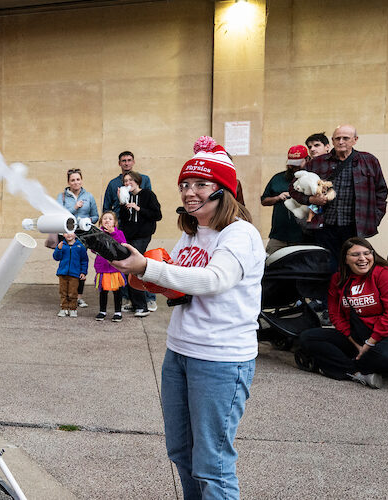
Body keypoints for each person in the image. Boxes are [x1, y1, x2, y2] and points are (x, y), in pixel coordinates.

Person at [110, 144, 264, 500]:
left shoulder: (240, 234)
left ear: (223, 191)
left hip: (221, 359)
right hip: (179, 350)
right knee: (181, 452)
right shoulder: (193, 232)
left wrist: (148, 268)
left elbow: (213, 280)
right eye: (184, 184)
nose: (188, 192)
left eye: (199, 184)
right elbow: (178, 285)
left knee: (212, 464)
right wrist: (138, 272)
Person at [296, 238, 388, 388]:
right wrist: (357, 344)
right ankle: (357, 373)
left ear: (373, 255)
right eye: (355, 254)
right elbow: (335, 315)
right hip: (360, 336)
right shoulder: (338, 279)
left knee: (382, 355)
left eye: (367, 253)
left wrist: (370, 343)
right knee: (308, 337)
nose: (362, 258)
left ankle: (339, 367)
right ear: (345, 259)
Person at [290, 124, 388, 270]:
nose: (341, 141)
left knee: (355, 267)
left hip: (355, 226)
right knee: (328, 268)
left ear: (355, 140)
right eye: (337, 138)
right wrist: (311, 200)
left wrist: (375, 217)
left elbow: (381, 192)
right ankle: (332, 293)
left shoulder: (369, 161)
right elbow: (293, 188)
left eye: (346, 138)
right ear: (332, 141)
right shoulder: (317, 162)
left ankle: (351, 293)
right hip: (324, 226)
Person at [117, 170, 161, 317]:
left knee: (135, 266)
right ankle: (134, 303)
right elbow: (123, 218)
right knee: (128, 267)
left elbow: (157, 215)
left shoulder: (148, 194)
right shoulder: (126, 196)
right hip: (128, 236)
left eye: (130, 180)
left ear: (137, 181)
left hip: (142, 236)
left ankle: (142, 306)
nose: (127, 183)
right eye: (125, 181)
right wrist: (122, 203)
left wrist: (138, 208)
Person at [60, 168, 98, 308]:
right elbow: (60, 215)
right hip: (67, 234)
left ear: (81, 180)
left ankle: (79, 297)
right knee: (67, 264)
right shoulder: (62, 196)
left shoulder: (88, 196)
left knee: (80, 264)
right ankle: (66, 296)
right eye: (72, 180)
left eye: (78, 179)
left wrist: (88, 219)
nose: (76, 182)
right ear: (68, 182)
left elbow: (95, 216)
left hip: (83, 234)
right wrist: (75, 208)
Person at [261, 145, 309, 255]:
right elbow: (264, 201)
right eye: (292, 164)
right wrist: (277, 198)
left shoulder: (310, 179)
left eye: (298, 164)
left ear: (307, 160)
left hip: (301, 236)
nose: (294, 167)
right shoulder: (277, 178)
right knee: (269, 263)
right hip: (278, 235)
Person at [92, 211, 127, 322]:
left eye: (110, 219)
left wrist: (113, 234)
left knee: (117, 291)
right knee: (103, 291)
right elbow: (93, 249)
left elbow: (123, 247)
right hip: (102, 268)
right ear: (101, 221)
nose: (107, 220)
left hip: (115, 268)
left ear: (115, 222)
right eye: (105, 218)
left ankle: (117, 312)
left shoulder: (119, 233)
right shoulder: (97, 233)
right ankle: (102, 311)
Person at [53, 231, 89, 318]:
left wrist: (83, 272)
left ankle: (73, 309)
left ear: (75, 234)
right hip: (63, 273)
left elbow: (84, 260)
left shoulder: (80, 246)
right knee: (63, 292)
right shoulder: (62, 245)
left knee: (73, 292)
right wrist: (58, 249)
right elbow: (56, 257)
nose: (69, 234)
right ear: (63, 234)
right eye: (66, 232)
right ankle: (64, 308)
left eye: (71, 232)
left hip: (74, 274)